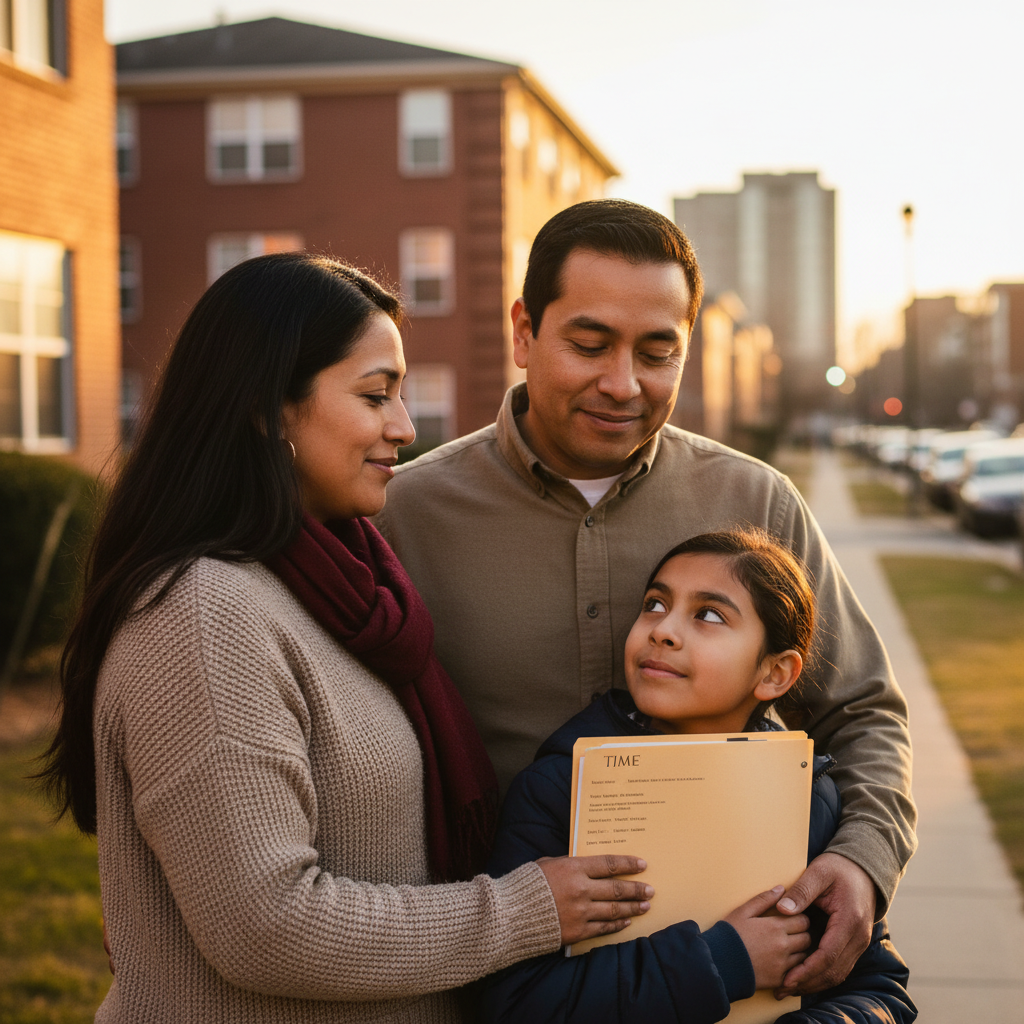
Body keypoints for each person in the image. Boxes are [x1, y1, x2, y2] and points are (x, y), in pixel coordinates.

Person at [37, 253, 655, 1024]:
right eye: (374, 395)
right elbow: (266, 929)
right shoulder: (204, 615)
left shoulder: (344, 586)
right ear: (268, 408)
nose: (405, 427)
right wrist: (525, 911)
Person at [373, 199, 917, 997]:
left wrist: (863, 860)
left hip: (749, 979)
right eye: (589, 344)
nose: (622, 383)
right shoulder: (402, 516)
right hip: (510, 985)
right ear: (524, 332)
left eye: (657, 353)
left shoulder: (758, 503)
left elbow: (864, 711)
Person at [478, 529, 916, 1023]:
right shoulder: (558, 791)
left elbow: (879, 989)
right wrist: (725, 961)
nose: (663, 630)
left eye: (708, 614)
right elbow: (515, 1003)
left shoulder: (809, 799)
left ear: (774, 673)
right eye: (655, 604)